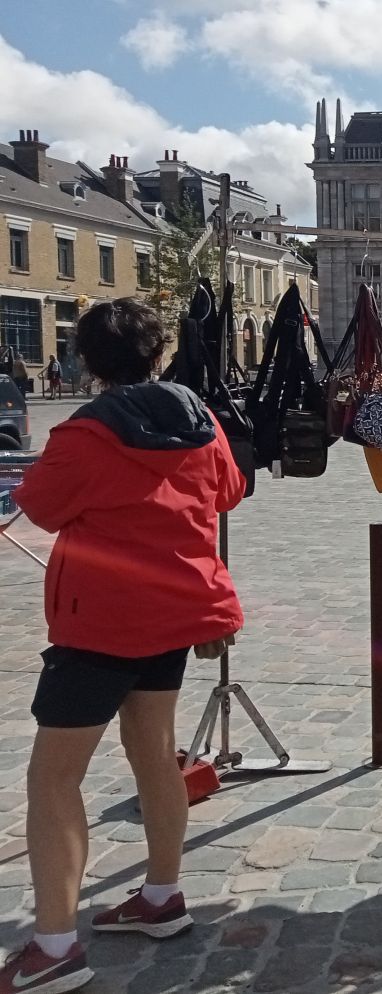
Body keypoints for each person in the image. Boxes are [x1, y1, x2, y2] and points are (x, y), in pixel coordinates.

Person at [5, 298, 245, 994]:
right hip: (176, 613)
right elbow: (228, 490)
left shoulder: (85, 434)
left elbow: (41, 506)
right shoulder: (201, 421)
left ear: (89, 360)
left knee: (54, 777)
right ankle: (163, 895)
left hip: (100, 621)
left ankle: (53, 945)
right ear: (159, 352)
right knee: (154, 753)